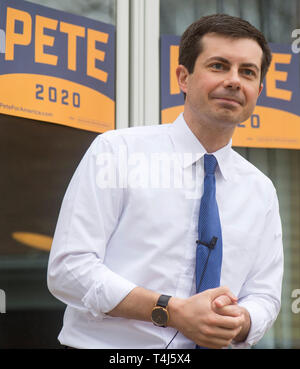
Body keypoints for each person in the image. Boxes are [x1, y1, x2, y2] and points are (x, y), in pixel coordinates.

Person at [47, 14, 283, 349]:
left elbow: (265, 296)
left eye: (247, 72)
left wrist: (242, 320)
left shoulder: (261, 191)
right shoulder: (117, 152)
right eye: (218, 66)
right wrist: (171, 311)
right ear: (183, 78)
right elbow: (68, 270)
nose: (234, 80)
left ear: (258, 90)